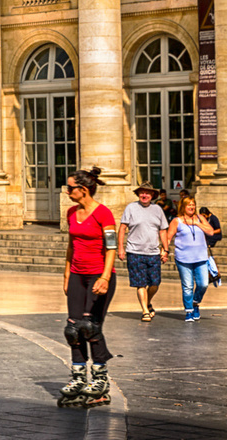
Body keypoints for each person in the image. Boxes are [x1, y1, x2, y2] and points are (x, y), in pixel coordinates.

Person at [58, 167, 117, 407]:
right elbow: (71, 245)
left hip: (98, 275)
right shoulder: (71, 212)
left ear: (83, 190)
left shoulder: (104, 214)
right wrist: (66, 274)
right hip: (77, 276)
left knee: (90, 327)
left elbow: (111, 248)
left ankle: (100, 379)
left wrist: (104, 277)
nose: (67, 191)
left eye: (70, 188)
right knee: (73, 328)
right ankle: (79, 377)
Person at [118, 180, 168, 321]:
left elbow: (163, 230)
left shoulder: (157, 210)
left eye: (147, 193)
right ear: (138, 194)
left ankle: (147, 301)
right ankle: (145, 310)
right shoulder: (131, 208)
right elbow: (122, 228)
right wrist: (121, 248)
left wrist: (165, 249)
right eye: (142, 193)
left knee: (154, 283)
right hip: (135, 251)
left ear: (152, 195)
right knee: (140, 283)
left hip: (153, 252)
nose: (144, 195)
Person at [165, 196, 220, 321]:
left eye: (193, 204)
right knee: (188, 286)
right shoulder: (177, 221)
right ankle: (189, 310)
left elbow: (211, 232)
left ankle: (195, 302)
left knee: (203, 284)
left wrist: (197, 223)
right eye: (188, 205)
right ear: (183, 207)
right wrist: (165, 251)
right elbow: (168, 237)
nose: (191, 207)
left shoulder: (200, 218)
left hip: (200, 258)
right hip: (183, 258)